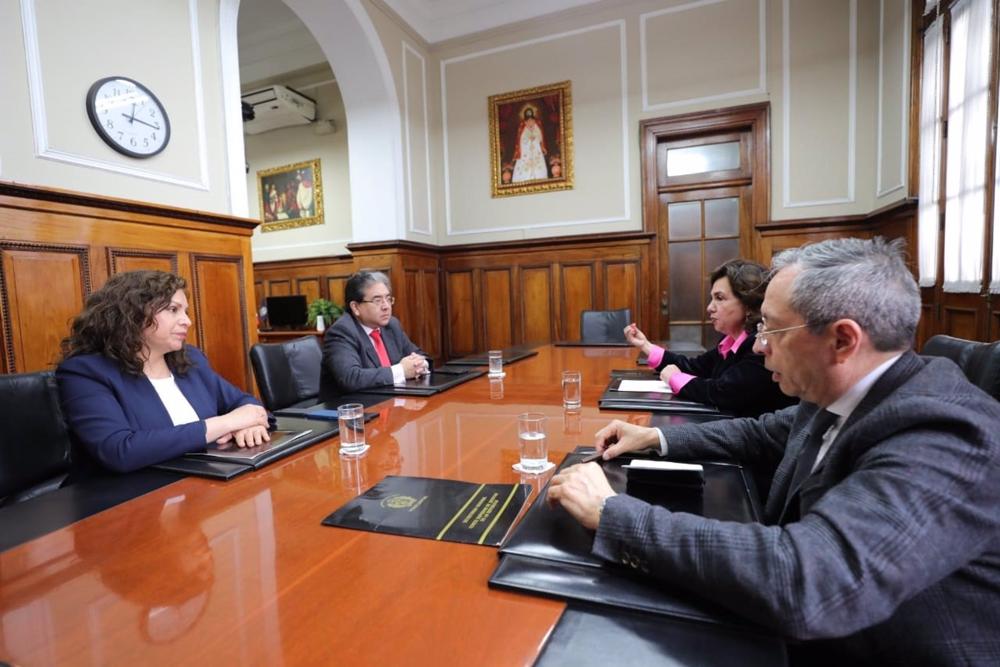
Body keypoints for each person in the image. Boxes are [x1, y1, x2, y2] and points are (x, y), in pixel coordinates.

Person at [548, 237, 1000, 664]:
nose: (759, 346)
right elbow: (762, 434)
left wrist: (613, 513)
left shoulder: (949, 433)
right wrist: (655, 437)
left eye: (772, 329)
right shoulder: (843, 390)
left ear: (843, 340)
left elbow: (809, 582)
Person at [57, 271, 271, 477]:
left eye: (185, 311)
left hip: (201, 484)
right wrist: (227, 424)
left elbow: (244, 403)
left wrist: (249, 425)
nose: (187, 321)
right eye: (173, 309)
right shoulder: (85, 373)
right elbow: (119, 451)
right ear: (132, 314)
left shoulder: (190, 360)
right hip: (125, 500)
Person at [625, 258, 795, 417]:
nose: (709, 308)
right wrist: (645, 345)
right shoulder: (730, 341)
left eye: (719, 298)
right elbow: (695, 367)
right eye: (711, 299)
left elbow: (723, 392)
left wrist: (674, 378)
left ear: (748, 304)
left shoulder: (760, 346)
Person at [320, 271, 428, 397]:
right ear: (355, 307)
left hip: (390, 402)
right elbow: (351, 378)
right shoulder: (342, 332)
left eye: (388, 299)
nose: (386, 306)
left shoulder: (391, 326)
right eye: (377, 300)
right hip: (351, 410)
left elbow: (420, 355)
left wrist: (419, 364)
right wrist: (401, 371)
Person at [511, 106, 548, 182]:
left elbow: (540, 139)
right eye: (528, 121)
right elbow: (521, 141)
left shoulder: (537, 128)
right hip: (526, 154)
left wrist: (535, 140)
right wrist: (528, 141)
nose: (530, 122)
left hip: (536, 153)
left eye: (531, 120)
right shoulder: (523, 130)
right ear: (525, 122)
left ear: (534, 120)